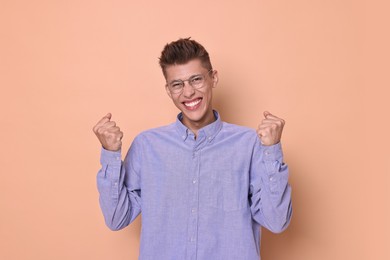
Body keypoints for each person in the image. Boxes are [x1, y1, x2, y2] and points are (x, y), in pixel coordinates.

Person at [93, 38, 292, 260]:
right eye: (177, 84)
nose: (188, 92)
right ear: (168, 90)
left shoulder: (249, 144)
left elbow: (276, 221)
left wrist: (272, 150)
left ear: (213, 78)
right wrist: (110, 154)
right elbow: (117, 218)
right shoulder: (146, 147)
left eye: (196, 79)